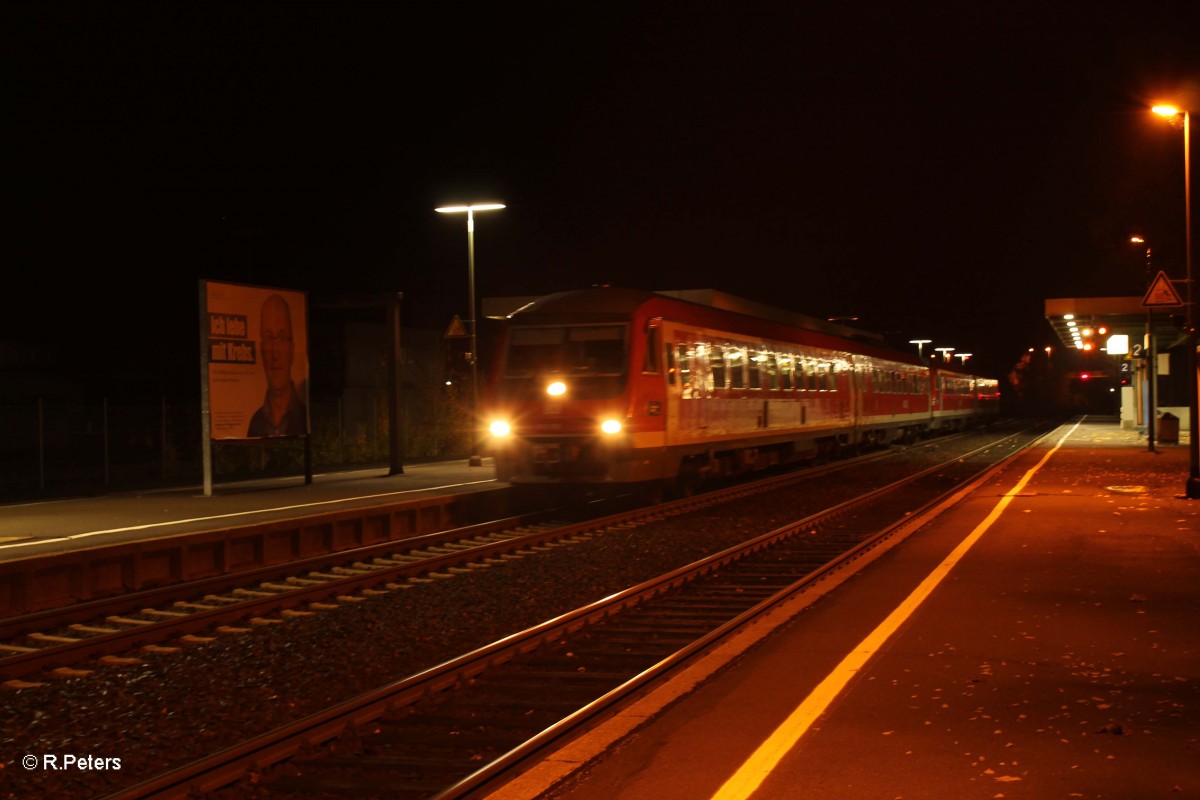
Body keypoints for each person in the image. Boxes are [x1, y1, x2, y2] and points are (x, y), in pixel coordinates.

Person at [247, 293, 308, 437]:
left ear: (292, 349)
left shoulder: (303, 418)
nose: (275, 353)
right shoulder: (254, 424)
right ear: (261, 350)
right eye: (268, 338)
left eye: (281, 337)